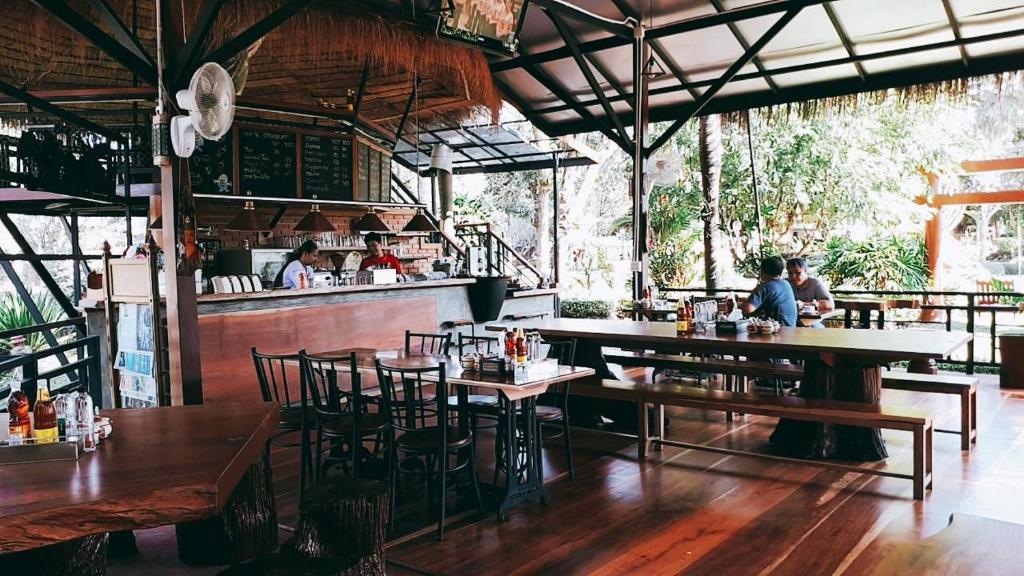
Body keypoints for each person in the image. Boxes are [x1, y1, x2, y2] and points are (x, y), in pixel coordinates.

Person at [741, 255, 798, 326]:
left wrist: (737, 305)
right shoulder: (785, 283)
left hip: (777, 330)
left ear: (762, 271)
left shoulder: (765, 287)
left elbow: (748, 308)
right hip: (790, 328)